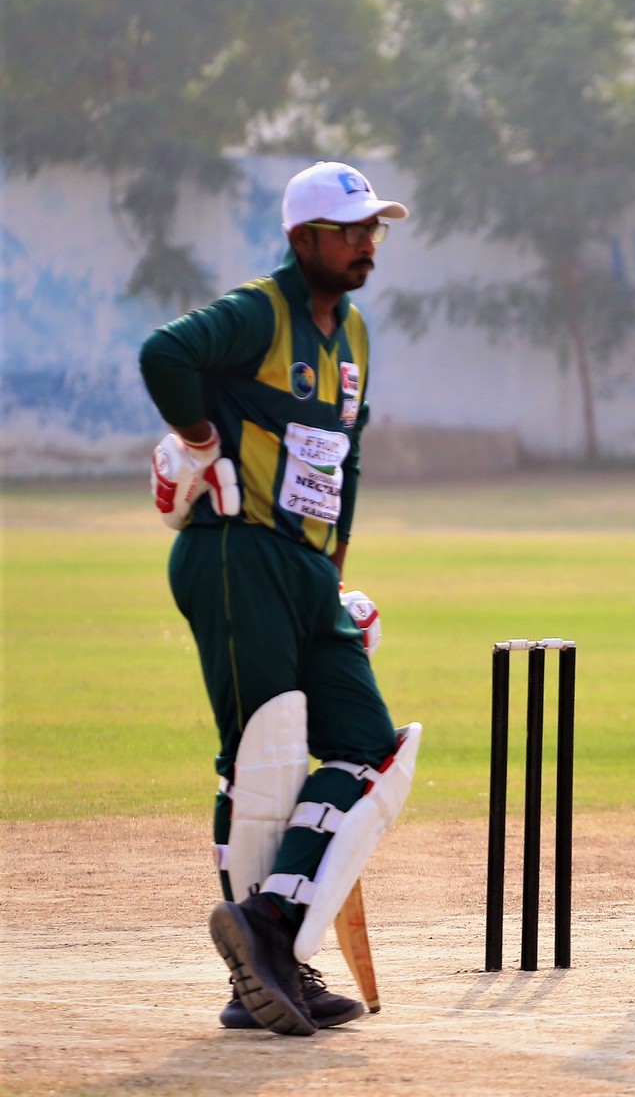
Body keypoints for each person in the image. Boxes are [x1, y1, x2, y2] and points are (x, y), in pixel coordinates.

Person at [139, 161, 421, 1034]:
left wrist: (334, 558)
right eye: (350, 230)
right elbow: (165, 354)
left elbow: (346, 451)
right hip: (235, 551)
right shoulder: (262, 311)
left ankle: (269, 926)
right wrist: (199, 439)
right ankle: (260, 978)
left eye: (374, 228)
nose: (367, 242)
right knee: (262, 763)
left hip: (305, 568)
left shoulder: (355, 332)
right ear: (303, 239)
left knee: (367, 748)